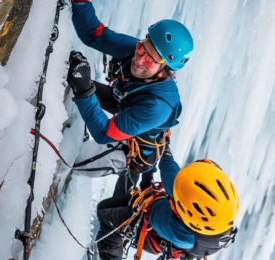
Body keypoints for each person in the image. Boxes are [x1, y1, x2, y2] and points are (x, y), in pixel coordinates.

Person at [67, 0, 194, 190]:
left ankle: (125, 169)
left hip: (136, 153)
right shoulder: (137, 50)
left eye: (151, 60)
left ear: (164, 69)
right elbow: (94, 34)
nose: (140, 60)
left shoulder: (157, 106)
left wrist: (84, 89)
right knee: (75, 77)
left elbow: (103, 133)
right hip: (125, 102)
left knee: (74, 162)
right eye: (143, 47)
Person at [95, 147, 239, 260]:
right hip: (169, 220)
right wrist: (164, 150)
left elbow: (150, 209)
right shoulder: (223, 214)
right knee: (136, 177)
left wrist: (149, 166)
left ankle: (106, 256)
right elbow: (175, 181)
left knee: (106, 212)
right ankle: (135, 164)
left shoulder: (180, 231)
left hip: (156, 230)